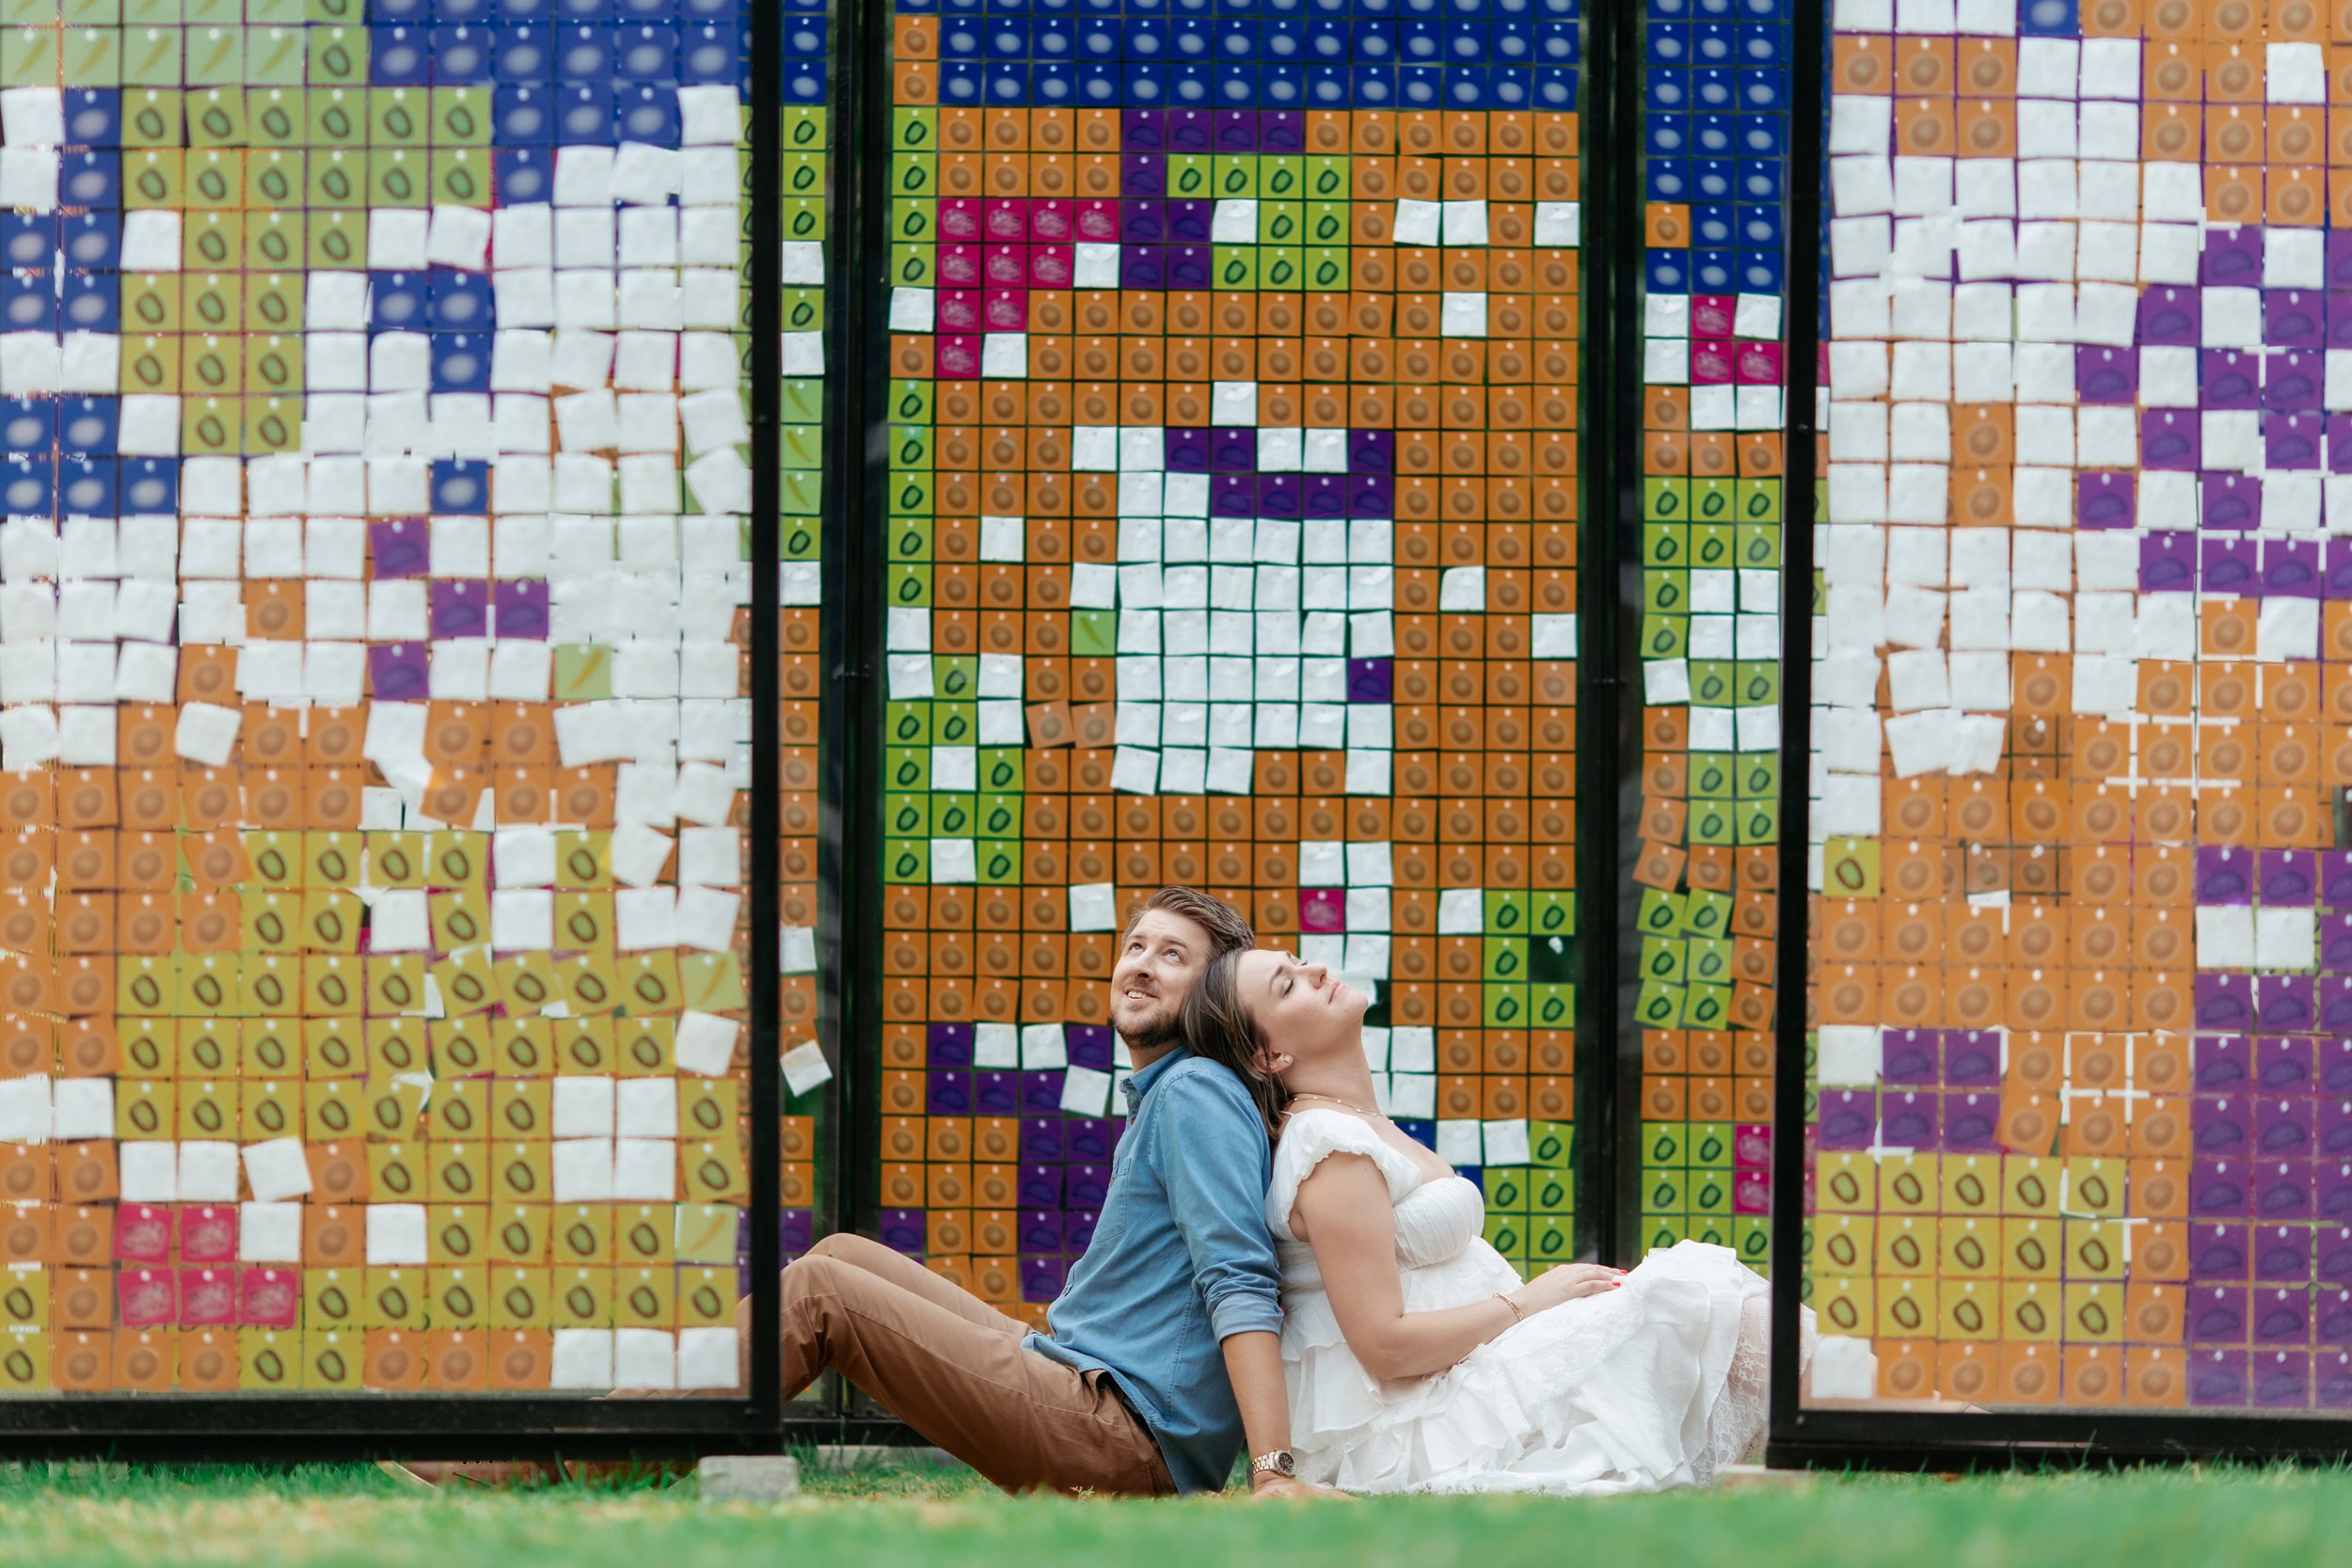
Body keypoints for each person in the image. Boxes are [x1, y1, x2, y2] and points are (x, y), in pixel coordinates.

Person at [760, 887, 1343, 1498]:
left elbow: (1239, 1276)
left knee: (819, 1292)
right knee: (840, 1254)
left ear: (1214, 996)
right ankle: (669, 1419)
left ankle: (660, 1436)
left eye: (1173, 955)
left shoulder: (1194, 1089)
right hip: (1080, 1375)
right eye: (1136, 946)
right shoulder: (1170, 1089)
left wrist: (1272, 1470)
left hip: (1125, 1432)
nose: (1142, 963)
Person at [1179, 945, 1817, 1496]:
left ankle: (1843, 1439)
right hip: (1424, 1419)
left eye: (1296, 961)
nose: (1315, 968)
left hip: (1476, 1370)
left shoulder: (1355, 1121)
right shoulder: (1327, 1146)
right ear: (1270, 1055)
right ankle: (1861, 1435)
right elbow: (1384, 1344)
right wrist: (1528, 1301)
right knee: (1696, 1289)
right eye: (1287, 984)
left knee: (1704, 1304)